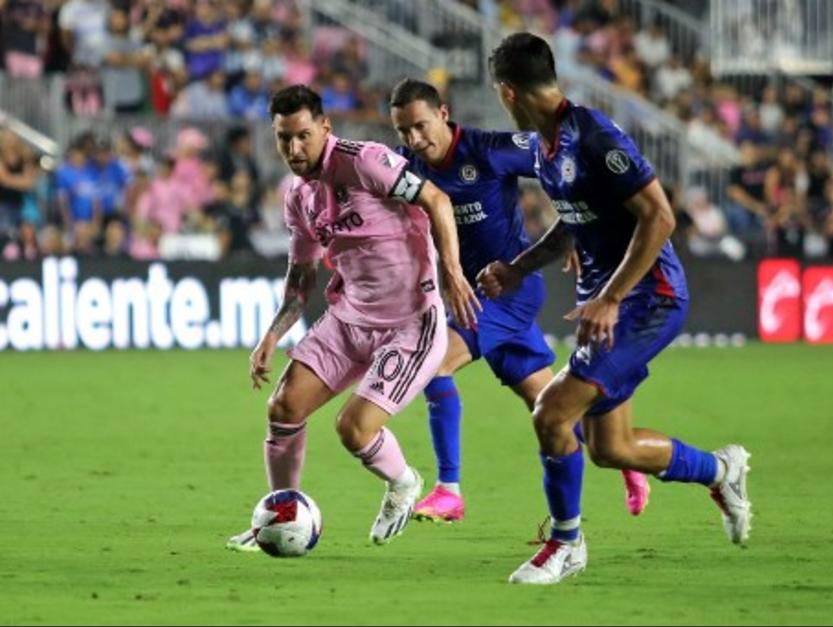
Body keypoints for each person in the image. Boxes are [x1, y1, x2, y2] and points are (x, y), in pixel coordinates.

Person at [477, 33, 752, 585]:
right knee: (611, 448)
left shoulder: (594, 135)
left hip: (648, 299)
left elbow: (660, 217)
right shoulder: (548, 148)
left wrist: (611, 296)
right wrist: (517, 268)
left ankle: (566, 545)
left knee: (552, 414)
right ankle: (722, 471)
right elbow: (570, 227)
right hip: (608, 300)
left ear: (507, 92)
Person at [227, 84, 480, 551]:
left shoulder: (365, 161)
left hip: (411, 322)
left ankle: (403, 482)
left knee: (353, 429)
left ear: (325, 127)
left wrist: (453, 272)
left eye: (303, 135)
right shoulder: (297, 198)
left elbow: (438, 201)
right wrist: (271, 334)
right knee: (282, 409)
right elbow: (300, 278)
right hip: (348, 321)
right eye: (284, 139)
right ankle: (279, 512)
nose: (294, 149)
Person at [388, 79, 650, 523]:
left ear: (444, 113)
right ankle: (625, 457)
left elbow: (565, 166)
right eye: (403, 132)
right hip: (478, 295)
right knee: (550, 406)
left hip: (511, 288)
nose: (414, 139)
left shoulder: (488, 150)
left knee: (433, 363)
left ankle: (448, 490)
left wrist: (569, 230)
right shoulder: (408, 166)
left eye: (420, 126)